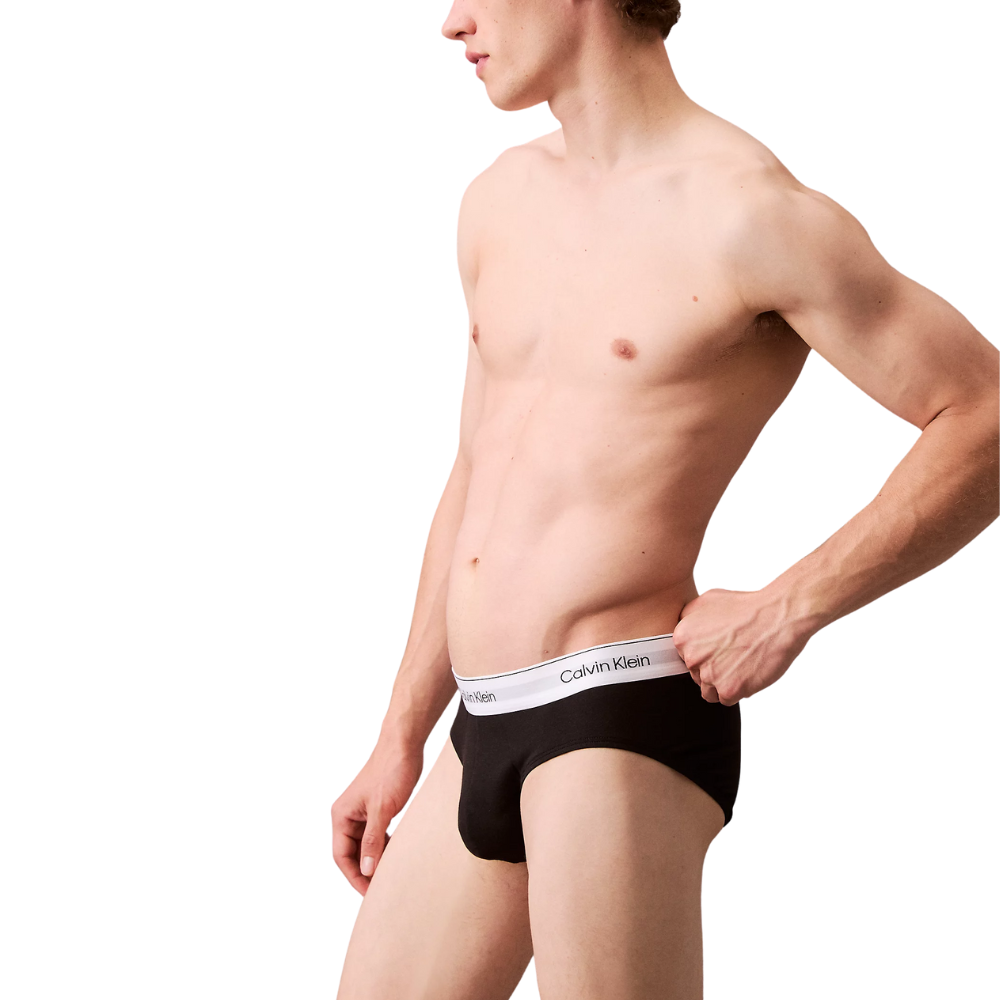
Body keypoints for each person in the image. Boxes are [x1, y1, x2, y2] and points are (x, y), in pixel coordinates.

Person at [331, 1, 999, 997]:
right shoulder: (498, 200)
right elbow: (476, 473)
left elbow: (982, 412)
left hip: (617, 703)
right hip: (482, 717)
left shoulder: (747, 213)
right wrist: (399, 733)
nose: (452, 21)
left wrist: (789, 605)